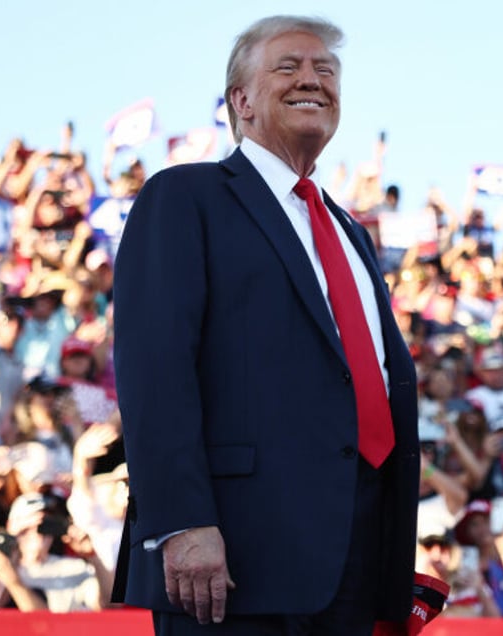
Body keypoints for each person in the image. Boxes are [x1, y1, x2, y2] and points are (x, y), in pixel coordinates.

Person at [112, 15, 419, 635]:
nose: (313, 79)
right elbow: (155, 369)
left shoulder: (350, 230)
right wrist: (181, 520)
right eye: (290, 66)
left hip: (355, 557)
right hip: (232, 558)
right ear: (241, 101)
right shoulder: (184, 197)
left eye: (325, 70)